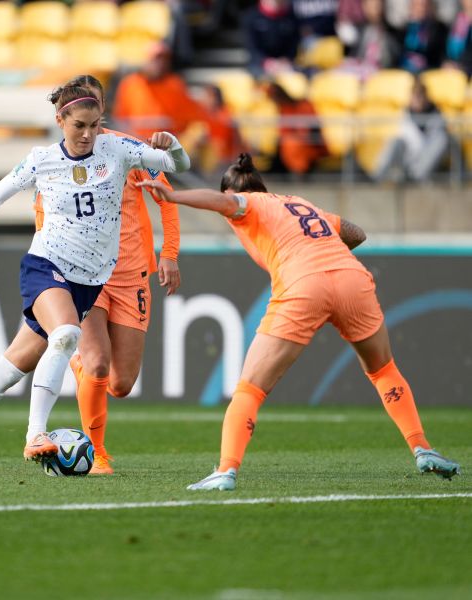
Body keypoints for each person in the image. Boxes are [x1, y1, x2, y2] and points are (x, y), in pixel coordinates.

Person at [0, 82, 191, 474]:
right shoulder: (42, 159)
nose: (87, 134)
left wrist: (172, 144)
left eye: (94, 125)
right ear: (60, 120)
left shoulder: (120, 150)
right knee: (66, 336)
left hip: (88, 282)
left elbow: (177, 166)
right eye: (78, 125)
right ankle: (35, 436)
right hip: (46, 266)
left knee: (6, 374)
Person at [137, 153, 461, 491]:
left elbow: (221, 201)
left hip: (304, 284)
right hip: (352, 278)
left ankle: (226, 471)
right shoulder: (299, 203)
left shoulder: (249, 203)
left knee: (249, 388)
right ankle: (422, 448)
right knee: (382, 370)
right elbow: (357, 233)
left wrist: (174, 196)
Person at [34, 75, 182, 475]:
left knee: (121, 383)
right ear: (67, 115)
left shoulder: (126, 150)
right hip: (85, 273)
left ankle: (80, 369)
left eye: (95, 108)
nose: (89, 120)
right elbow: (43, 214)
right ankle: (98, 455)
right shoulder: (58, 159)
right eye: (81, 112)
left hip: (133, 273)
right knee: (98, 363)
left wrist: (168, 253)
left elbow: (166, 200)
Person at [110, 41, 207, 147]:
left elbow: (192, 120)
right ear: (144, 60)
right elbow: (120, 121)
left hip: (169, 148)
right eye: (156, 59)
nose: (160, 63)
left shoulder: (175, 85)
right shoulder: (129, 84)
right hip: (136, 148)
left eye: (164, 59)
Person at [372, 76, 449, 182]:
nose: (417, 100)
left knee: (442, 139)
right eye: (415, 96)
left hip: (426, 165)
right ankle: (376, 177)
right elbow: (405, 140)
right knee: (395, 141)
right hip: (407, 162)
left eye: (420, 96)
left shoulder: (436, 115)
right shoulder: (404, 114)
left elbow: (434, 146)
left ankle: (416, 176)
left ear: (426, 97)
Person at [264, 82, 329, 175]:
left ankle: (299, 173)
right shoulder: (283, 108)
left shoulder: (305, 106)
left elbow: (306, 133)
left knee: (291, 143)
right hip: (288, 147)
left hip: (308, 146)